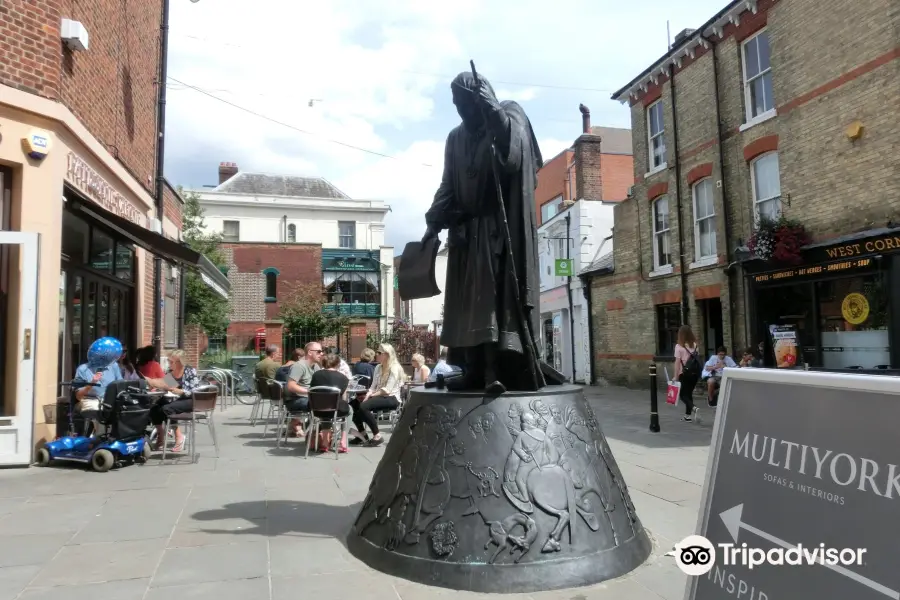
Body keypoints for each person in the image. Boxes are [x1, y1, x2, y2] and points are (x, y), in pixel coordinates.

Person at [420, 70, 546, 394]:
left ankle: (494, 372)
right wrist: (433, 222)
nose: (460, 110)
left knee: (489, 302)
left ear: (480, 100)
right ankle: (473, 370)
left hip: (495, 231)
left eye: (465, 103)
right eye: (455, 104)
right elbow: (448, 185)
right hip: (465, 233)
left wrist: (494, 113)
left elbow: (515, 156)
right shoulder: (454, 138)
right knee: (465, 306)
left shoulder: (507, 115)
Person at [350, 343, 403, 447]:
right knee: (353, 405)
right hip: (378, 395)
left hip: (391, 397)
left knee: (363, 406)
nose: (376, 355)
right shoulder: (378, 367)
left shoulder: (395, 368)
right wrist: (368, 394)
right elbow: (373, 386)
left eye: (379, 353)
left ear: (387, 354)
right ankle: (362, 434)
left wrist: (370, 396)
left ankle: (377, 436)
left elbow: (387, 390)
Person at [150, 349, 201, 451]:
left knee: (167, 409)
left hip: (190, 400)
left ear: (179, 362)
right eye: (169, 361)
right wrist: (159, 387)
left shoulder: (190, 371)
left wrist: (181, 391)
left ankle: (179, 436)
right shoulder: (170, 373)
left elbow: (195, 390)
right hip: (175, 399)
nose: (169, 364)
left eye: (171, 361)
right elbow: (168, 387)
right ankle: (161, 436)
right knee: (154, 408)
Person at [73, 337, 125, 434]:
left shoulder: (113, 366)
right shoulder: (83, 369)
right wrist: (91, 383)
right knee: (100, 410)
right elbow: (78, 396)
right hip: (91, 400)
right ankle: (100, 438)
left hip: (110, 400)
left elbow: (121, 384)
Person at [284, 342, 324, 437]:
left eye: (322, 352)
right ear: (310, 352)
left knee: (329, 403)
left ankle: (318, 432)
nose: (321, 354)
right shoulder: (299, 366)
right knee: (321, 406)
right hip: (295, 400)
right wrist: (309, 392)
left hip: (308, 398)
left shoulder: (316, 366)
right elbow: (291, 385)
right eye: (319, 352)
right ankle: (317, 434)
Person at [672, 325, 701, 422]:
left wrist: (675, 377)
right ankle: (687, 416)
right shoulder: (695, 345)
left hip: (684, 374)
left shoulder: (679, 347)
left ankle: (694, 408)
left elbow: (677, 363)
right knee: (689, 394)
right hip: (695, 374)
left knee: (682, 395)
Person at [309, 353, 351, 419]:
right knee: (350, 408)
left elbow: (312, 390)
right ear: (338, 364)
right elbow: (344, 397)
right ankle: (343, 429)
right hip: (335, 410)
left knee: (324, 404)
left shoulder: (316, 375)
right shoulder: (343, 378)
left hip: (315, 409)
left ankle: (326, 428)